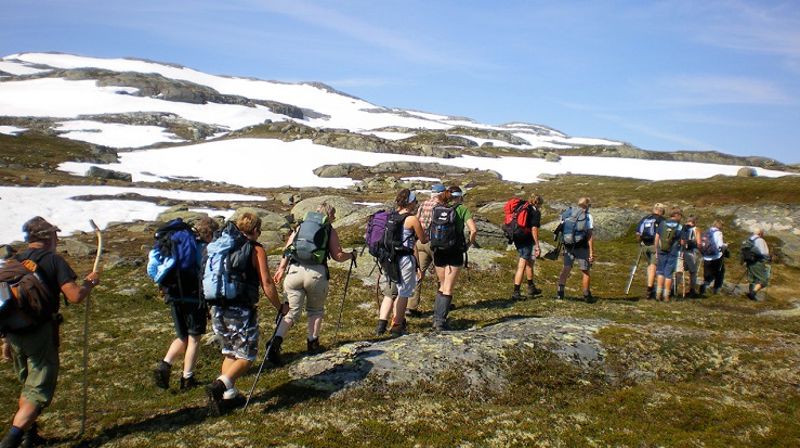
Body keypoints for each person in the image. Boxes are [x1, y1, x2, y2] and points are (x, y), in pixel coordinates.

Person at [0, 217, 100, 448]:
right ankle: (11, 441)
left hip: (14, 333)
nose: (57, 238)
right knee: (38, 390)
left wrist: (6, 340)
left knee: (27, 384)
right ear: (47, 237)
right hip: (40, 333)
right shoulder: (54, 261)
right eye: (54, 234)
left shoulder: (15, 260)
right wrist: (89, 284)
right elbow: (74, 296)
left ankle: (29, 436)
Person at [205, 212, 283, 416]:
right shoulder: (255, 249)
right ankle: (220, 385)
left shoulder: (221, 245)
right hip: (240, 309)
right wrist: (280, 306)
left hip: (217, 307)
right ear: (256, 230)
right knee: (247, 355)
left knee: (230, 352)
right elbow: (266, 282)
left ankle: (228, 397)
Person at [272, 203, 357, 359]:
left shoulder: (301, 226)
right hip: (316, 274)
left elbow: (288, 249)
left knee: (291, 312)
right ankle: (313, 343)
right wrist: (351, 255)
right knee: (315, 311)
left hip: (294, 272)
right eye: (334, 215)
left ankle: (275, 342)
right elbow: (338, 256)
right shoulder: (329, 229)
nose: (335, 218)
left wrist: (281, 268)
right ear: (329, 216)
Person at [153, 216, 218, 391]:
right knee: (194, 338)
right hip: (193, 297)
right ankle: (187, 379)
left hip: (174, 295)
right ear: (210, 233)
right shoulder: (203, 248)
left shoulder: (178, 243)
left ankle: (165, 365)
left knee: (183, 336)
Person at [376, 189, 428, 336]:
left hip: (389, 259)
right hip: (404, 259)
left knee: (389, 293)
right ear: (410, 202)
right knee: (403, 292)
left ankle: (381, 325)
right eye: (415, 201)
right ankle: (397, 325)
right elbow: (422, 239)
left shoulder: (390, 216)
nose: (416, 204)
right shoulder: (411, 219)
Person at [431, 186, 477, 331]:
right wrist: (468, 244)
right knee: (448, 288)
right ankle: (440, 322)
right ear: (459, 196)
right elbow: (473, 230)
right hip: (455, 250)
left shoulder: (437, 208)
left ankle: (436, 318)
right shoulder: (462, 209)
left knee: (442, 284)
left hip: (438, 249)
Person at [407, 183, 445, 318]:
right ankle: (441, 306)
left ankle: (411, 307)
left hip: (420, 242)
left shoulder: (422, 205)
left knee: (418, 273)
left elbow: (416, 220)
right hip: (435, 244)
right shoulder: (441, 208)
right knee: (442, 275)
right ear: (441, 194)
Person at [556, 197, 595, 302]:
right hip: (582, 246)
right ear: (587, 206)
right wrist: (591, 252)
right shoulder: (588, 216)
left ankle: (560, 294)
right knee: (585, 271)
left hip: (568, 246)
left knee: (566, 269)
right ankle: (586, 295)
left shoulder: (568, 213)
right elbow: (589, 235)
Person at [510, 195, 543, 300]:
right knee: (522, 265)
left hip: (517, 236)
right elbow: (534, 229)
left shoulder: (522, 207)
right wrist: (537, 245)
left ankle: (531, 287)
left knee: (529, 262)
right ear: (538, 203)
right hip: (526, 239)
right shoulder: (535, 212)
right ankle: (516, 292)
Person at [653, 207, 684, 302]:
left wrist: (656, 250)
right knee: (669, 274)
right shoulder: (679, 227)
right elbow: (682, 241)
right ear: (677, 215)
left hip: (662, 250)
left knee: (660, 271)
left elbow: (657, 237)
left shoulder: (663, 223)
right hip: (673, 252)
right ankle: (666, 295)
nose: (681, 218)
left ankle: (658, 294)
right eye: (681, 216)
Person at [636, 203, 665, 299]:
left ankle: (650, 285)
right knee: (653, 265)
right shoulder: (661, 220)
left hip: (644, 245)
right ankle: (650, 288)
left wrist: (640, 242)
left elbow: (638, 232)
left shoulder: (645, 218)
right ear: (661, 211)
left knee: (649, 265)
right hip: (654, 245)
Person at [700, 220, 727, 295]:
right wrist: (726, 245)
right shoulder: (719, 233)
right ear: (720, 226)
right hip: (716, 257)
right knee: (719, 273)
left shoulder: (707, 232)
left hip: (706, 257)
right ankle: (716, 290)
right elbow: (720, 245)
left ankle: (704, 287)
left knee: (707, 274)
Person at [744, 228, 771, 301]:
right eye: (762, 234)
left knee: (752, 280)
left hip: (749, 262)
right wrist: (769, 259)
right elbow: (764, 253)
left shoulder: (749, 240)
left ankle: (751, 296)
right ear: (760, 234)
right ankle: (753, 293)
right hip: (758, 263)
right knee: (764, 280)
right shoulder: (761, 240)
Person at [681, 215, 701, 298]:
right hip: (693, 252)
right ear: (694, 222)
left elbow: (681, 241)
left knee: (680, 270)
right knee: (693, 272)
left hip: (683, 252)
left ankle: (673, 289)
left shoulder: (683, 228)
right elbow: (699, 242)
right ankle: (691, 290)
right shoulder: (696, 229)